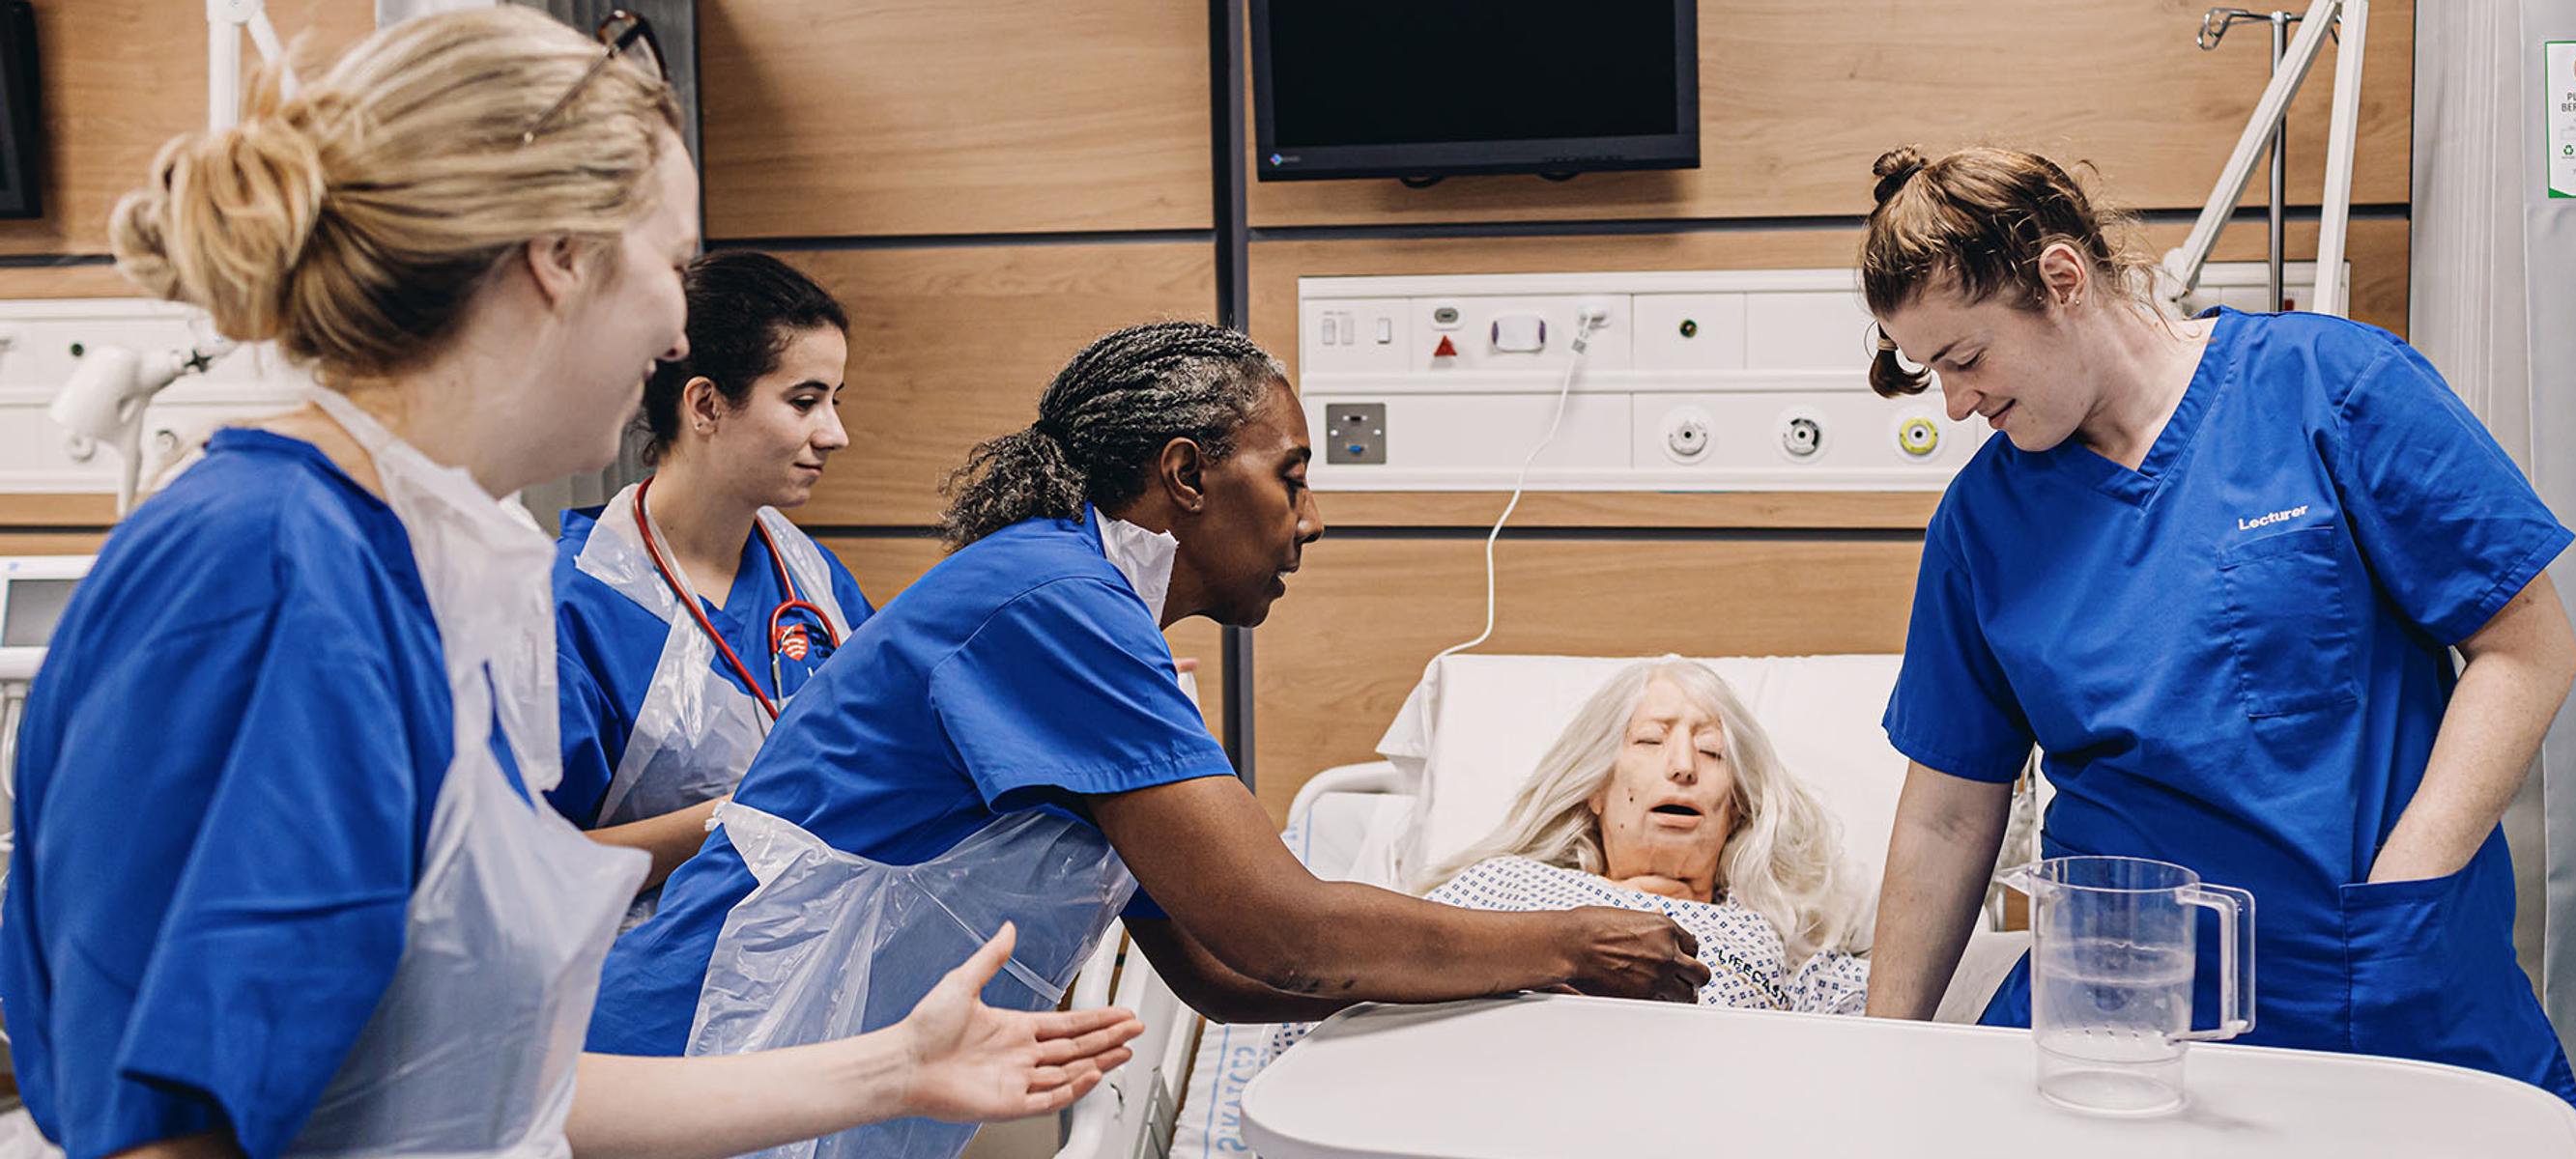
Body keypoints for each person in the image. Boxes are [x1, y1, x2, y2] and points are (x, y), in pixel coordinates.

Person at [0, 12, 1135, 1159]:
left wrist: (897, 1068)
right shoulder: (268, 572)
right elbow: (177, 1132)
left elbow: (489, 1095)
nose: (678, 323)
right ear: (560, 257)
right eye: (671, 263)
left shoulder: (429, 563)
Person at [589, 321, 1710, 1157]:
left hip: (796, 1079)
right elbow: (1281, 932)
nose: (1311, 517)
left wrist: (1501, 999)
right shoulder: (1054, 601)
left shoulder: (1087, 614)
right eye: (1292, 476)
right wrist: (1564, 941)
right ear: (1184, 475)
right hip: (699, 1050)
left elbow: (1220, 972)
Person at [1854, 145, 2576, 1107]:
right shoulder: (1983, 524)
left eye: (1965, 357)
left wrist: (2406, 887)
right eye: (1929, 372)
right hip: (2111, 1014)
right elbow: (1950, 810)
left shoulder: (2331, 388)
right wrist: (1871, 1062)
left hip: (2376, 972)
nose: (1955, 403)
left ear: (2062, 279)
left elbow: (2528, 648)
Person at [553, 250, 874, 923]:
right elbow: (528, 868)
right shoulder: (579, 607)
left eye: (834, 402)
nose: (836, 434)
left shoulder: (813, 581)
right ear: (704, 404)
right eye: (805, 401)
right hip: (634, 1001)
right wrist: (737, 820)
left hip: (807, 978)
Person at [1417, 658, 1874, 1014]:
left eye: (1711, 752)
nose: (1683, 767)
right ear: (1595, 787)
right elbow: (1381, 960)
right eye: (1650, 741)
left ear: (1736, 808)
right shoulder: (1501, 885)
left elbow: (1890, 1025)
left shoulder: (1776, 939)